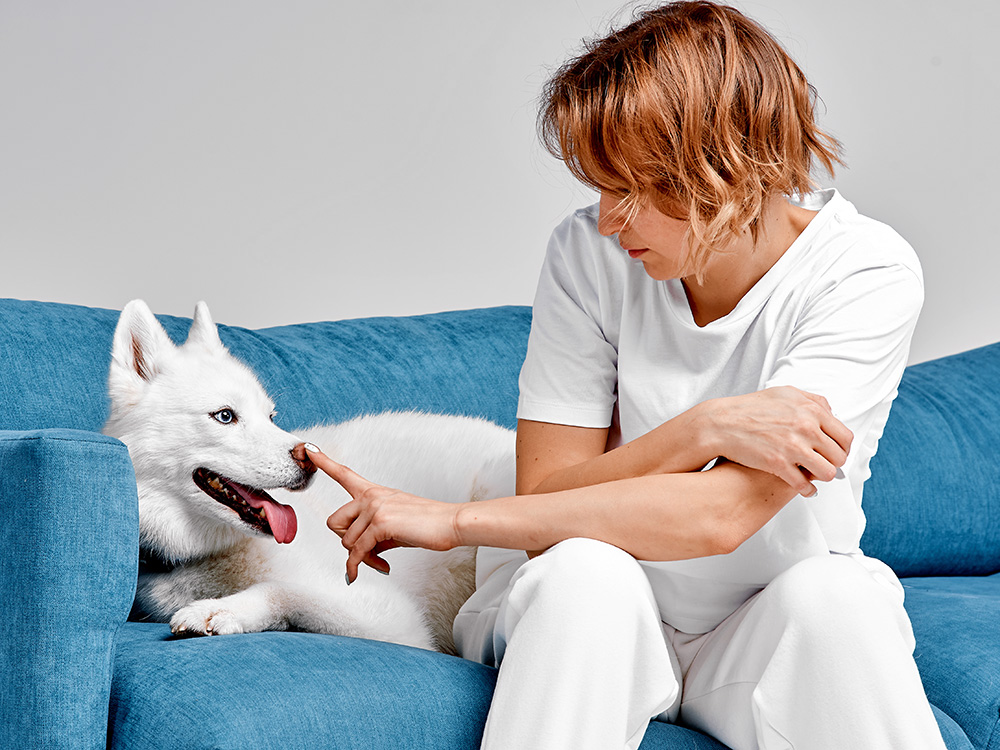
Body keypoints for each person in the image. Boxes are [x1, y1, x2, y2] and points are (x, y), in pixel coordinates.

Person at [304, 2, 948, 748]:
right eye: (601, 188)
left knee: (839, 599)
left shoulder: (864, 271)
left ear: (729, 163)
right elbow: (547, 504)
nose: (610, 220)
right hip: (598, 605)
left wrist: (453, 523)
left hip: (757, 623)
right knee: (585, 576)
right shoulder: (588, 254)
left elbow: (722, 514)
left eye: (634, 190)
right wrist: (702, 428)